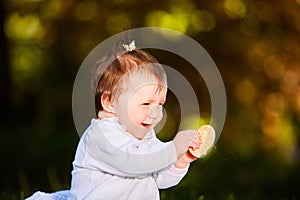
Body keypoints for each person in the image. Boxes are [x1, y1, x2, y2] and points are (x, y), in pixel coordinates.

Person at [26, 40, 209, 200]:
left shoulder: (145, 137)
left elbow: (159, 178)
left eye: (160, 104)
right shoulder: (101, 136)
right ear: (109, 102)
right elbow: (136, 162)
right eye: (146, 103)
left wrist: (180, 161)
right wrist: (173, 148)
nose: (155, 113)